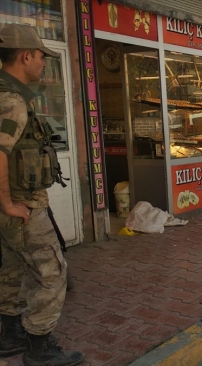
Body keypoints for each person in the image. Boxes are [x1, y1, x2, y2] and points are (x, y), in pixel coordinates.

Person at [0, 24, 84, 365]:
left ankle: (9, 334)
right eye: (41, 57)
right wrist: (7, 203)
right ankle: (40, 348)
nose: (43, 64)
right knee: (52, 272)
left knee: (11, 270)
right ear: (26, 56)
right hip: (23, 206)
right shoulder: (12, 102)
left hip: (12, 210)